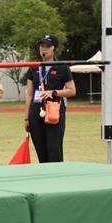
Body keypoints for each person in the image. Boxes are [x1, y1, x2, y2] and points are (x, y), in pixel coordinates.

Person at [24, 35, 76, 163]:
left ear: (54, 49)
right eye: (42, 46)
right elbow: (29, 94)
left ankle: (56, 175)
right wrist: (26, 118)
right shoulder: (33, 67)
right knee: (41, 152)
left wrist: (54, 92)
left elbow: (72, 91)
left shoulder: (62, 67)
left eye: (48, 46)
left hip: (54, 112)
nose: (44, 49)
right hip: (36, 112)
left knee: (54, 151)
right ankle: (44, 174)